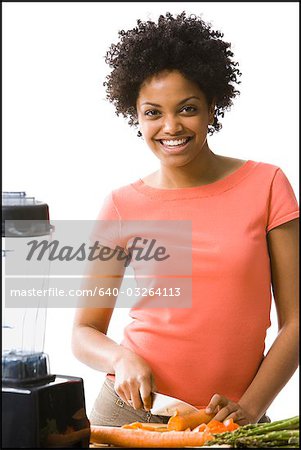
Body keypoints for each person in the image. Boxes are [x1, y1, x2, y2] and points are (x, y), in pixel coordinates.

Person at [71, 11, 299, 427]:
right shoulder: (122, 205)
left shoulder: (267, 185)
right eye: (153, 112)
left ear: (213, 105)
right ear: (135, 116)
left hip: (233, 420)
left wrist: (248, 409)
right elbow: (84, 332)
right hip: (133, 415)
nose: (171, 126)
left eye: (187, 108)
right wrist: (121, 357)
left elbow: (296, 323)